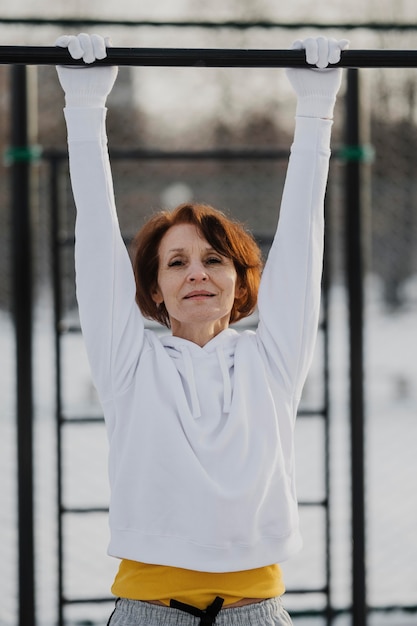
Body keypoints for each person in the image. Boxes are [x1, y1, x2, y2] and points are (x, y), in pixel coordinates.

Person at [55, 33, 348, 626]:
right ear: (153, 287)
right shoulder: (129, 365)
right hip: (148, 610)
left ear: (240, 283)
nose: (197, 273)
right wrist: (84, 110)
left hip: (256, 611)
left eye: (214, 259)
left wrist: (315, 113)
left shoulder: (272, 363)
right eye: (177, 261)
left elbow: (301, 242)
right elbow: (94, 242)